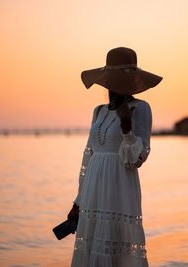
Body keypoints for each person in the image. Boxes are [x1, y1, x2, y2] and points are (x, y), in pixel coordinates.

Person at [68, 47, 162, 267]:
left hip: (119, 191)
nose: (115, 85)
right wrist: (78, 202)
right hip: (93, 191)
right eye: (113, 79)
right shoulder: (98, 111)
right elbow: (88, 158)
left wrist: (127, 127)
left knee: (116, 248)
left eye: (121, 80)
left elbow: (136, 159)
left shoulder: (140, 108)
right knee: (92, 249)